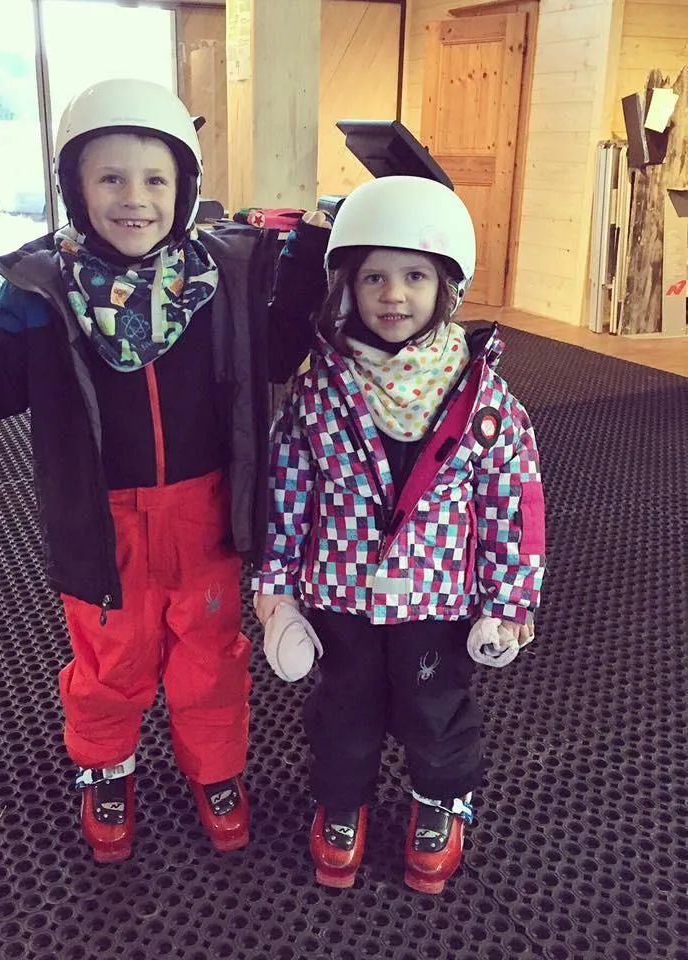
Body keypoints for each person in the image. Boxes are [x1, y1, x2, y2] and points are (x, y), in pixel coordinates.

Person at [0, 78, 329, 864]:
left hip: (205, 514)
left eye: (155, 180)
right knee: (112, 662)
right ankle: (107, 767)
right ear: (75, 188)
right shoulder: (44, 290)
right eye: (110, 178)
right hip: (100, 526)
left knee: (210, 659)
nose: (134, 199)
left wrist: (306, 257)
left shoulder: (218, 281)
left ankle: (217, 771)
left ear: (185, 189)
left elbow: (277, 349)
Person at [253, 175, 545, 892]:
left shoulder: (485, 401)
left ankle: (439, 801)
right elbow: (286, 493)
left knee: (435, 710)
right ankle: (342, 802)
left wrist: (509, 603)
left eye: (415, 276)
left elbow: (514, 503)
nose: (393, 295)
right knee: (341, 709)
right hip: (340, 597)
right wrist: (276, 595)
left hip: (440, 603)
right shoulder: (318, 389)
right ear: (345, 288)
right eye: (373, 277)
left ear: (447, 287)